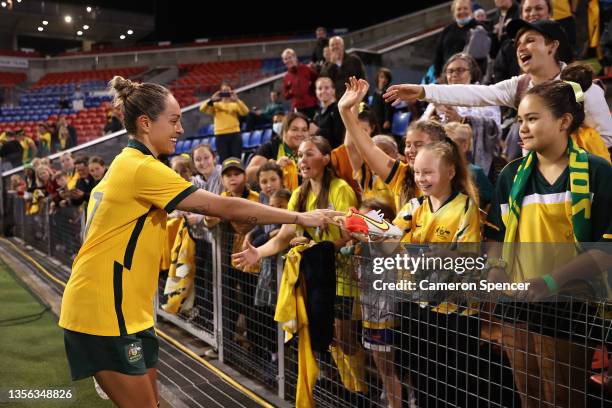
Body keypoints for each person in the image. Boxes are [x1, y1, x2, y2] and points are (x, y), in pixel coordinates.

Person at [58, 76, 337, 408]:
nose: (180, 129)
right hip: (104, 310)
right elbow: (224, 205)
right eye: (173, 121)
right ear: (146, 123)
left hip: (127, 311)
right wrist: (299, 217)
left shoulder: (129, 164)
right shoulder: (141, 169)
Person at [484, 79, 612, 407]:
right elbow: (497, 237)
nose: (522, 128)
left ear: (564, 121)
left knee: (565, 399)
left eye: (532, 119)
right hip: (519, 303)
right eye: (521, 120)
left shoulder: (599, 172)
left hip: (572, 302)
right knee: (530, 397)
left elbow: (605, 249)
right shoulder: (510, 176)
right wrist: (496, 272)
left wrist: (550, 281)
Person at [233, 136, 366, 396]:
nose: (302, 160)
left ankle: (361, 388)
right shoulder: (298, 193)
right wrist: (257, 253)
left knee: (346, 337)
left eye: (309, 154)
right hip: (314, 277)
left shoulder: (340, 189)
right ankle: (349, 388)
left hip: (343, 276)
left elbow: (351, 233)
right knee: (329, 337)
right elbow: (283, 237)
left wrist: (319, 249)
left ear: (326, 159)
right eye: (300, 156)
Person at [383, 19, 612, 148]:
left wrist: (564, 151)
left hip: (579, 188)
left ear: (552, 47)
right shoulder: (520, 86)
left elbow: (607, 139)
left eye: (530, 40)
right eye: (518, 43)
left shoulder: (582, 86)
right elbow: (476, 93)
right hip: (537, 186)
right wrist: (424, 90)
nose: (521, 47)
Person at [340, 77, 447, 212]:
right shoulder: (401, 175)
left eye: (418, 144)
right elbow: (366, 148)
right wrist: (345, 109)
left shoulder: (453, 182)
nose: (411, 150)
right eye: (408, 145)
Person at [493, 0, 574, 83]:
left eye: (539, 8)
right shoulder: (507, 48)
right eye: (527, 10)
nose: (532, 14)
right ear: (521, 16)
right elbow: (499, 81)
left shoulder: (561, 39)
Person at [421, 52, 501, 126]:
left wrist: (461, 120)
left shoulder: (486, 96)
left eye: (460, 70)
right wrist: (432, 118)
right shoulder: (439, 99)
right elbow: (419, 128)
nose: (454, 74)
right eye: (450, 71)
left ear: (472, 73)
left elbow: (493, 130)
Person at [246, 112, 309, 190]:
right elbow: (248, 174)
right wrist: (274, 167)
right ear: (284, 132)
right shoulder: (270, 147)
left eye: (304, 130)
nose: (300, 134)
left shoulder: (312, 149)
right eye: (294, 129)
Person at [445, 122, 493, 207]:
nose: (445, 148)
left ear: (464, 146)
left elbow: (492, 201)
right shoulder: (441, 171)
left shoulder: (475, 172)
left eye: (450, 144)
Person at [199, 82, 249, 161]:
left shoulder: (235, 105)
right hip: (220, 135)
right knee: (224, 160)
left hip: (234, 133)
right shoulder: (215, 105)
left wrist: (237, 100)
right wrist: (212, 100)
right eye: (224, 91)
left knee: (236, 159)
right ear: (220, 92)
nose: (225, 93)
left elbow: (245, 112)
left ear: (231, 91)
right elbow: (202, 109)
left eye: (227, 90)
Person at [432, 0, 480, 78]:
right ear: (454, 13)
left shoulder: (478, 28)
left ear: (471, 11)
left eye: (465, 8)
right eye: (459, 9)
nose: (462, 11)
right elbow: (438, 53)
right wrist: (437, 75)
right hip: (448, 77)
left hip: (469, 77)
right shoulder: (447, 29)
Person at [281, 48, 319, 119]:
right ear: (283, 61)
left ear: (295, 57)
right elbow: (286, 96)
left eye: (290, 57)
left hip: (311, 105)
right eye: (285, 59)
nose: (288, 60)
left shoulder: (306, 69)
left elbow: (317, 81)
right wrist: (291, 91)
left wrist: (312, 91)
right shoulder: (286, 77)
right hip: (297, 107)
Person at [310, 77, 345, 149]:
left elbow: (339, 136)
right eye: (319, 88)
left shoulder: (339, 109)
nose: (323, 91)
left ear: (333, 90)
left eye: (326, 88)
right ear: (316, 92)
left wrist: (318, 131)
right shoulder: (317, 112)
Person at [370, 68, 395, 133]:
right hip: (375, 121)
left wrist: (387, 120)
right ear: (377, 78)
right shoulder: (375, 92)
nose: (383, 80)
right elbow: (372, 106)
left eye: (386, 78)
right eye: (381, 77)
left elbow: (389, 108)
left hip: (383, 123)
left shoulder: (388, 92)